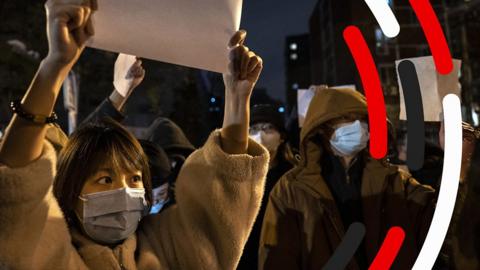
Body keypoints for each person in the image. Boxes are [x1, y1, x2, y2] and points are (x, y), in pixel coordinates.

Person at [0, 1, 268, 269]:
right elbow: (15, 187)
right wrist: (54, 66)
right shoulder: (50, 252)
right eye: (105, 178)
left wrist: (237, 94)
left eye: (135, 178)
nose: (124, 190)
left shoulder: (165, 250)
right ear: (71, 191)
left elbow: (223, 195)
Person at [258, 87, 445, 270]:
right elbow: (277, 258)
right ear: (321, 128)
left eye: (362, 119)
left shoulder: (396, 182)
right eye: (345, 119)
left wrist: (457, 164)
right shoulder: (291, 190)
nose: (356, 126)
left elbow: (444, 222)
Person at [237, 104, 296, 270]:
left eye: (268, 129)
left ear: (281, 137)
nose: (260, 135)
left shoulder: (292, 178)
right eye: (253, 129)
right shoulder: (235, 177)